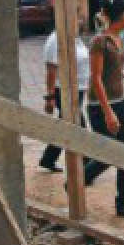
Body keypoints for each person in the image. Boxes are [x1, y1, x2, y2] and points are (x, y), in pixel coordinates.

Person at [84, 0, 124, 219]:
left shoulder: (120, 39)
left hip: (121, 102)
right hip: (100, 106)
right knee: (107, 155)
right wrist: (108, 113)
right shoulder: (101, 42)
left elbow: (113, 71)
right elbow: (96, 78)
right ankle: (80, 179)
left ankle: (123, 203)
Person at [38, 23, 92, 173]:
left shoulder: (74, 38)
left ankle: (48, 159)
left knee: (65, 125)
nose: (80, 22)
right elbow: (51, 70)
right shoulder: (55, 39)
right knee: (79, 125)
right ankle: (88, 164)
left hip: (77, 89)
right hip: (63, 89)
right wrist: (49, 97)